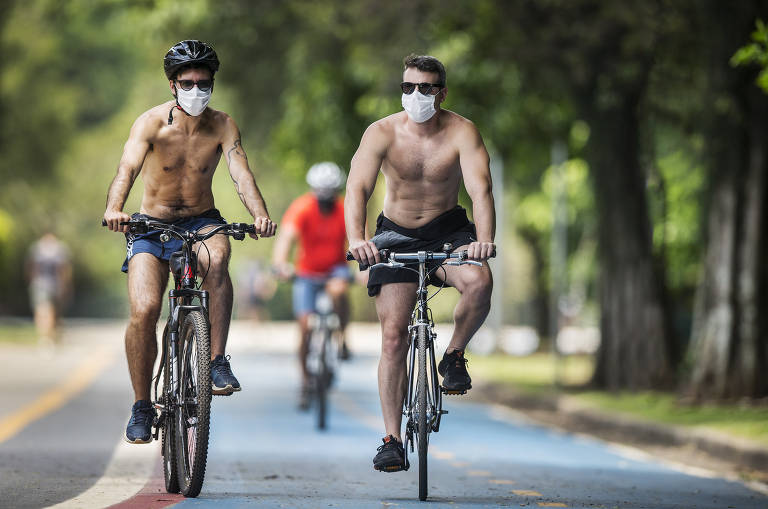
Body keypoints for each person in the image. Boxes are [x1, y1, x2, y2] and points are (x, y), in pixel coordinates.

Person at [103, 40, 276, 444]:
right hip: (149, 225)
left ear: (213, 83)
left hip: (201, 222)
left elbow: (240, 172)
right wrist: (115, 208)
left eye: (204, 82)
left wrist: (259, 214)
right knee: (144, 309)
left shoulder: (223, 124)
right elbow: (126, 168)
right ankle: (142, 406)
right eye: (188, 82)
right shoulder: (150, 123)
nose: (196, 90)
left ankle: (216, 360)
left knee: (218, 260)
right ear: (172, 85)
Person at [346, 54, 495, 471]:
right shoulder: (381, 132)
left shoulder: (462, 131)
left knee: (480, 283)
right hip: (394, 233)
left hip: (449, 231)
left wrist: (484, 241)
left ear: (442, 92)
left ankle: (453, 355)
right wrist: (357, 239)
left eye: (426, 88)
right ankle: (391, 438)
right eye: (408, 87)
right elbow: (357, 186)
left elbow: (480, 190)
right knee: (394, 337)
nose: (416, 95)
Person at [272, 162, 352, 409]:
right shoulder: (302, 208)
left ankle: (341, 337)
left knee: (339, 289)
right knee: (305, 327)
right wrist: (280, 264)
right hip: (306, 272)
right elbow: (286, 238)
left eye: (331, 192)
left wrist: (364, 268)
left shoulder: (345, 209)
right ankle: (306, 382)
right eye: (321, 192)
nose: (326, 198)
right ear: (313, 190)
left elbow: (359, 240)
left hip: (335, 269)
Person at [25, 232, 72, 347]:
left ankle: (49, 336)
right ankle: (45, 338)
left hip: (51, 286)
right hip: (43, 286)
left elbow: (63, 270)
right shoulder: (39, 249)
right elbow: (31, 267)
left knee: (50, 313)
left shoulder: (56, 249)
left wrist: (65, 285)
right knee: (44, 311)